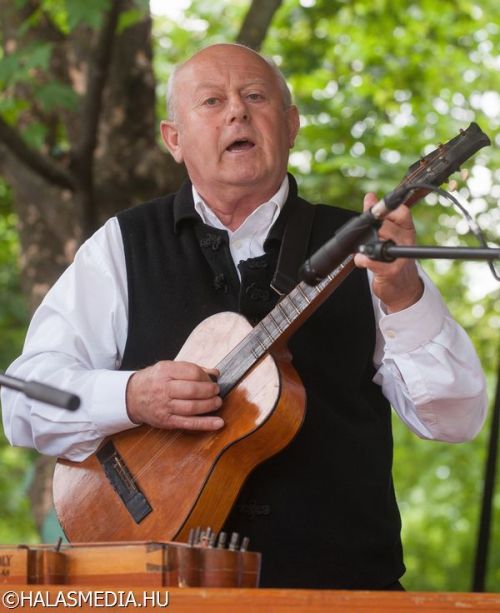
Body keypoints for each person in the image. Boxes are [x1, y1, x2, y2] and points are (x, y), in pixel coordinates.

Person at [1, 43, 487, 590]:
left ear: (291, 125)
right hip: (163, 596)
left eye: (255, 96)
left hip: (341, 594)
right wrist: (131, 396)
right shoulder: (121, 246)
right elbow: (23, 400)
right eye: (212, 101)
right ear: (174, 140)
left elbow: (455, 419)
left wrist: (403, 294)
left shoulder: (370, 248)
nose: (237, 111)